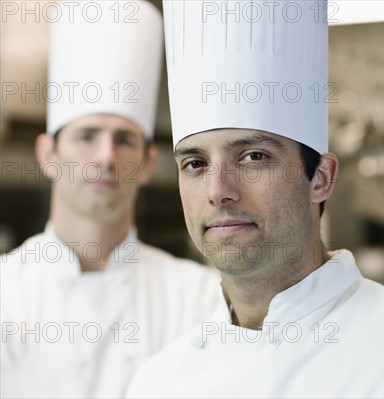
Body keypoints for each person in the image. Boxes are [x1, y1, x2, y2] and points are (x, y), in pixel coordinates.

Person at [126, 1, 384, 397]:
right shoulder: (158, 382)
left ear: (322, 177)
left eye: (253, 157)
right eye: (195, 164)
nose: (218, 191)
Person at [0, 1, 220, 397]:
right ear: (48, 154)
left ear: (149, 162)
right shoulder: (6, 294)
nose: (106, 156)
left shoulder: (201, 299)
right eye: (87, 136)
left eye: (124, 139)